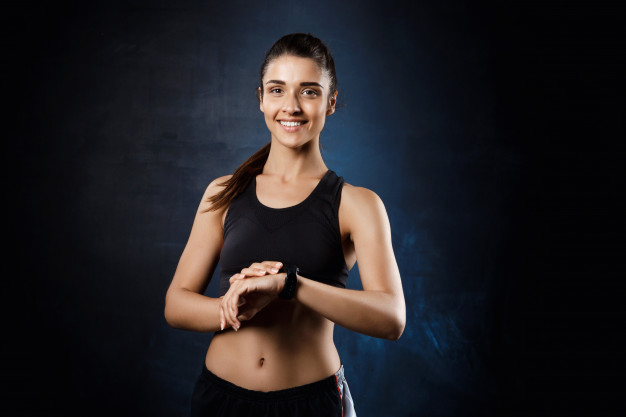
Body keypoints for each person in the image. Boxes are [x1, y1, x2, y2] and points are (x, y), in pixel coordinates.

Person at [164, 32, 406, 417]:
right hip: (220, 398)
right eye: (277, 90)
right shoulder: (224, 192)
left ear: (331, 101)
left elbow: (392, 318)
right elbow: (176, 303)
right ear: (261, 98)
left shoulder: (358, 204)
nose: (290, 106)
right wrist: (233, 307)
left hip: (310, 403)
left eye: (308, 92)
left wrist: (288, 284)